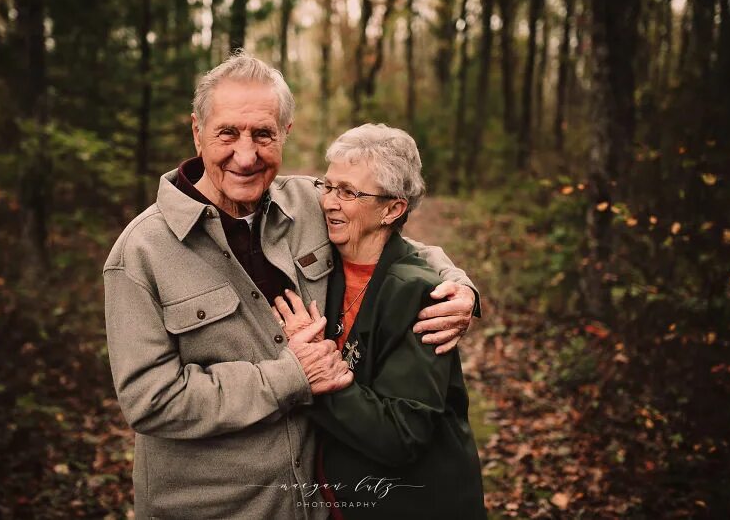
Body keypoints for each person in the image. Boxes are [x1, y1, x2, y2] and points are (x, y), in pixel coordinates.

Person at [103, 52, 481, 519]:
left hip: (315, 502)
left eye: (263, 134)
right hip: (214, 508)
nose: (246, 155)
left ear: (286, 133)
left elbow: (393, 240)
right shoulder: (140, 252)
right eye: (227, 133)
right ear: (197, 132)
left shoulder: (311, 201)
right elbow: (150, 400)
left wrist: (459, 287)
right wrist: (290, 375)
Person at [274, 124, 486, 519]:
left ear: (392, 209)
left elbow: (401, 436)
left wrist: (315, 375)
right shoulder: (325, 265)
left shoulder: (422, 296)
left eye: (350, 192)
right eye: (329, 186)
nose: (329, 203)